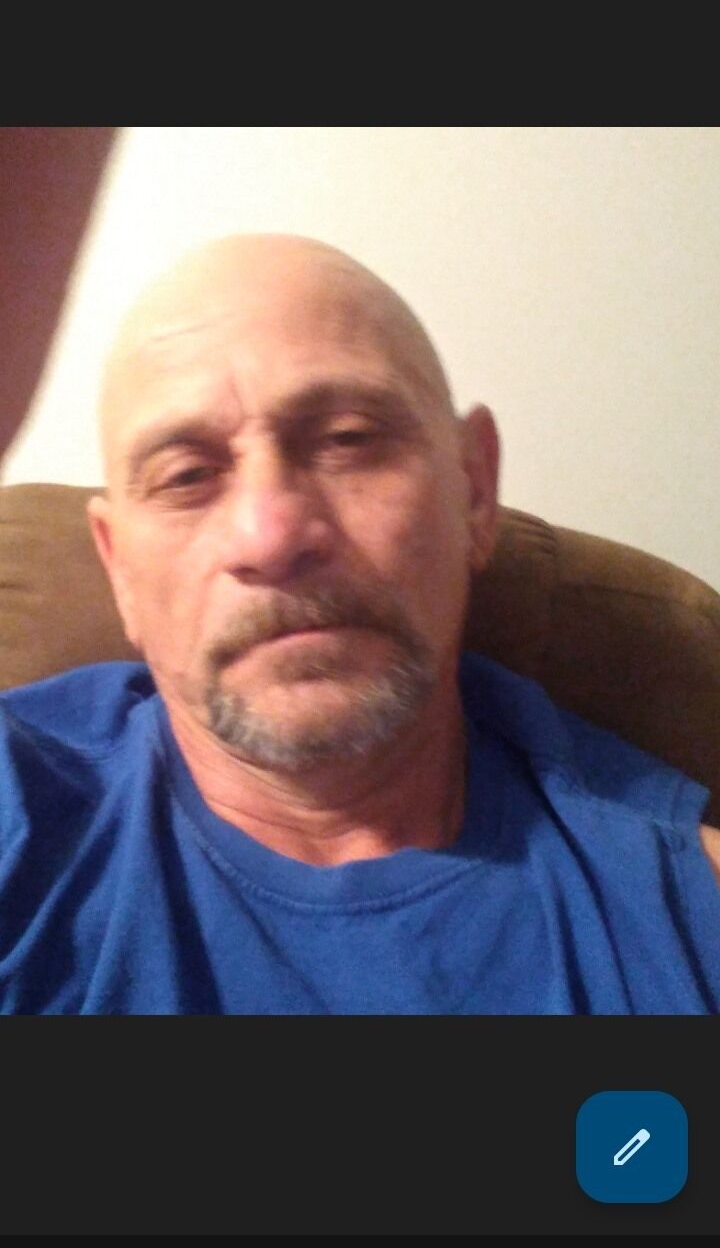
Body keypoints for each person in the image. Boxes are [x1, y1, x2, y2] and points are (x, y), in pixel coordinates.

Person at [0, 232, 718, 1014]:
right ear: (119, 571)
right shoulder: (19, 813)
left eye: (348, 440)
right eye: (187, 476)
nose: (271, 536)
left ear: (474, 491)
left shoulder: (681, 910)